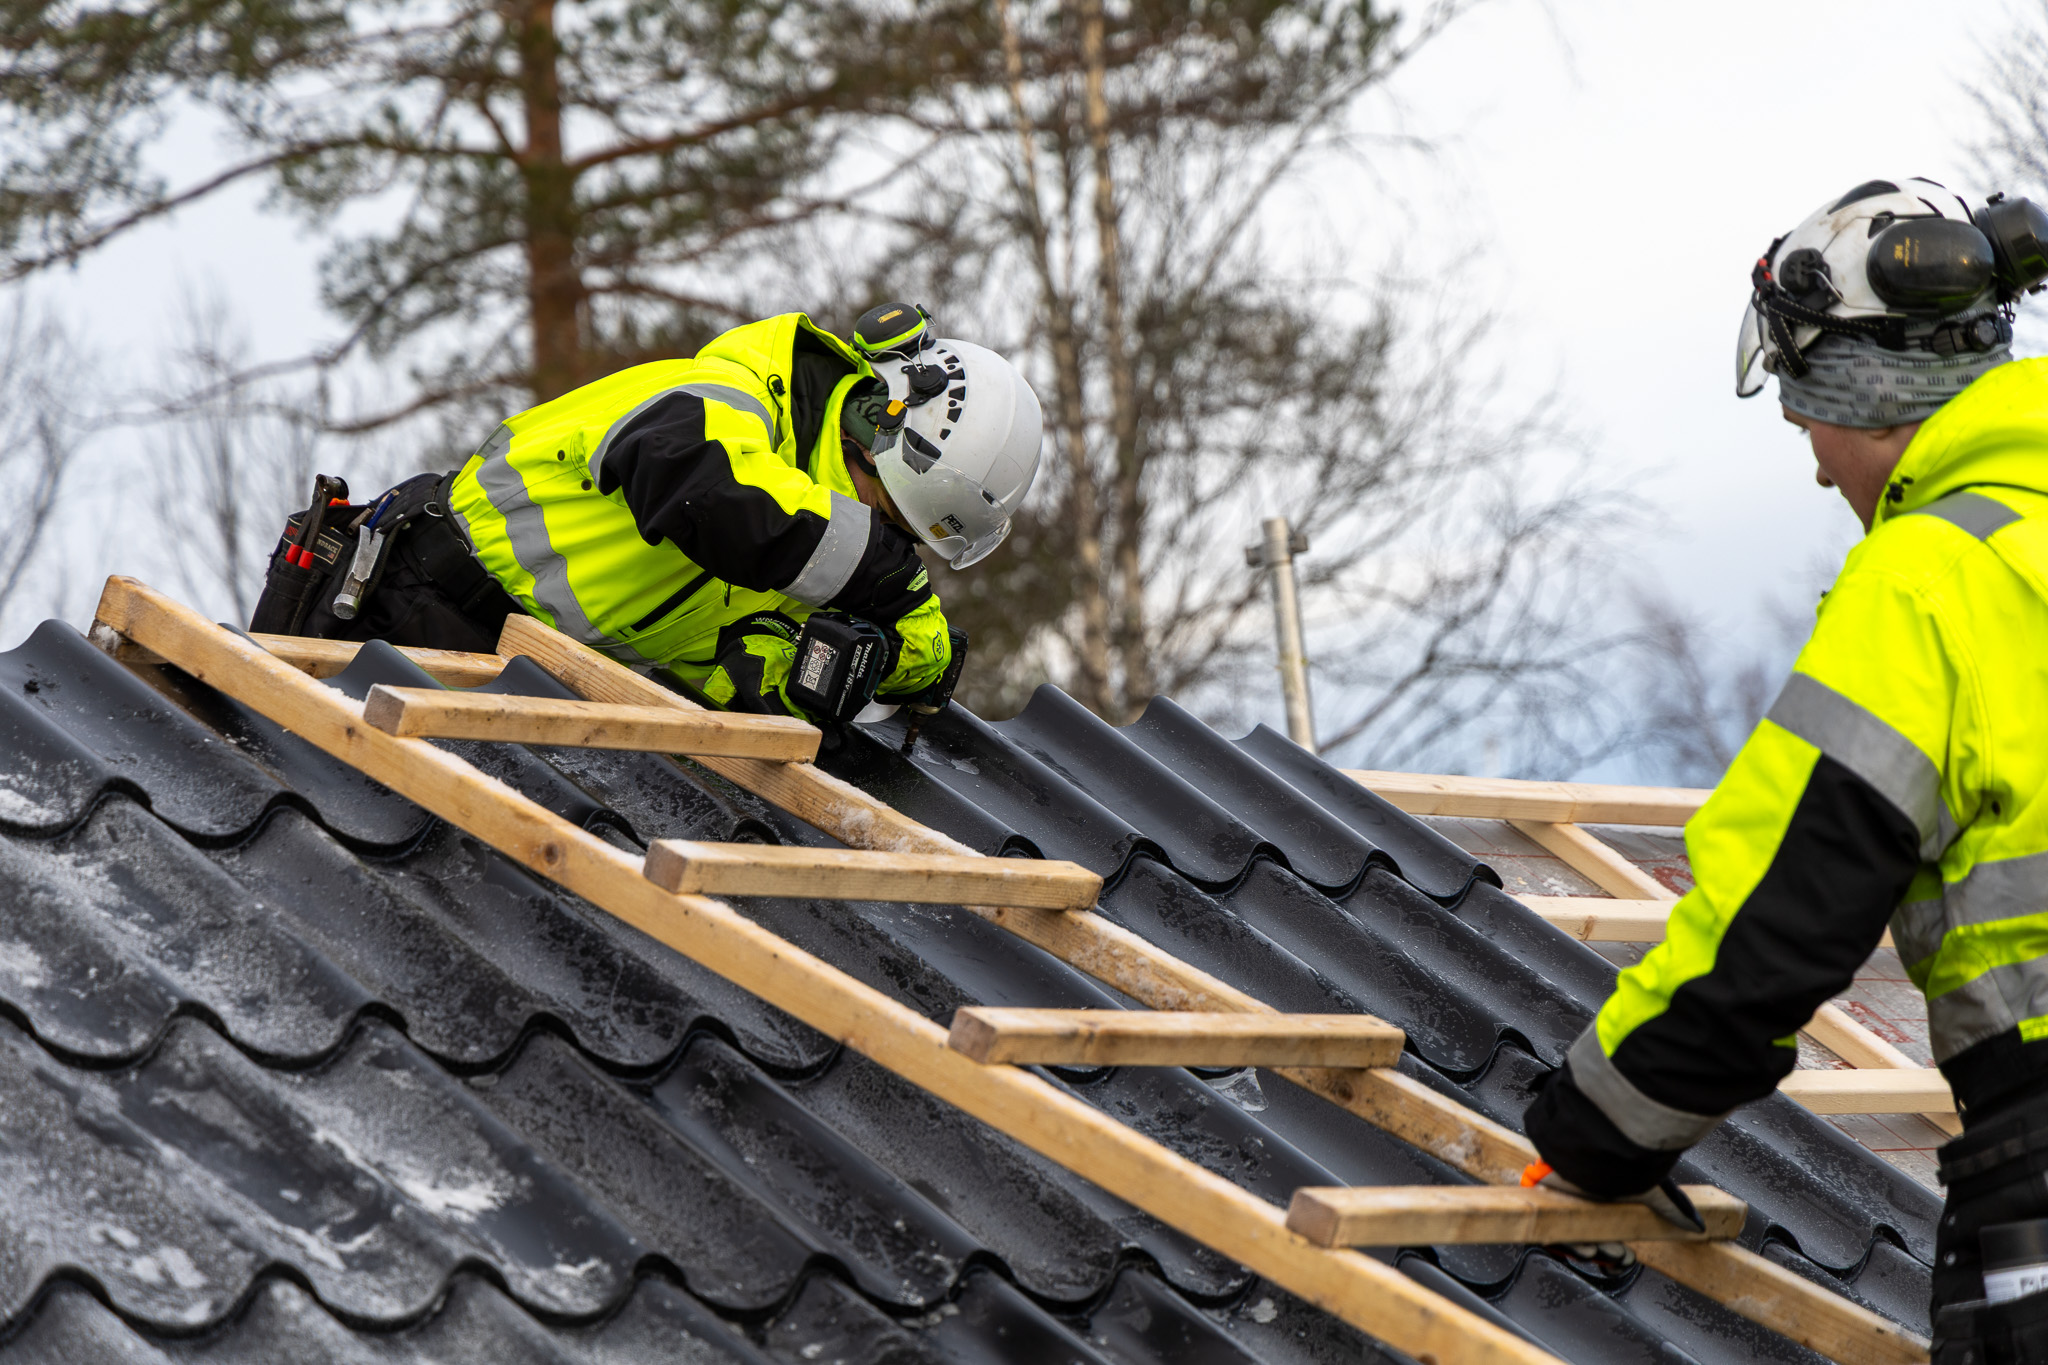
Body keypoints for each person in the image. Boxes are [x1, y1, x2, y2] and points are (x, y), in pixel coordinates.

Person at [1521, 177, 2048, 1359]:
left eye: (1805, 416)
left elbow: (1768, 926)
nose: (1816, 469)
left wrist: (1595, 1134)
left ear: (1858, 394)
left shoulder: (1927, 581)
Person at [252, 304, 1042, 724]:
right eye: (900, 527)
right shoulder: (731, 400)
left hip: (502, 674)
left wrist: (828, 674)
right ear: (886, 453)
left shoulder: (789, 533)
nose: (893, 543)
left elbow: (722, 663)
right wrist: (889, 582)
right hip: (400, 611)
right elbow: (702, 488)